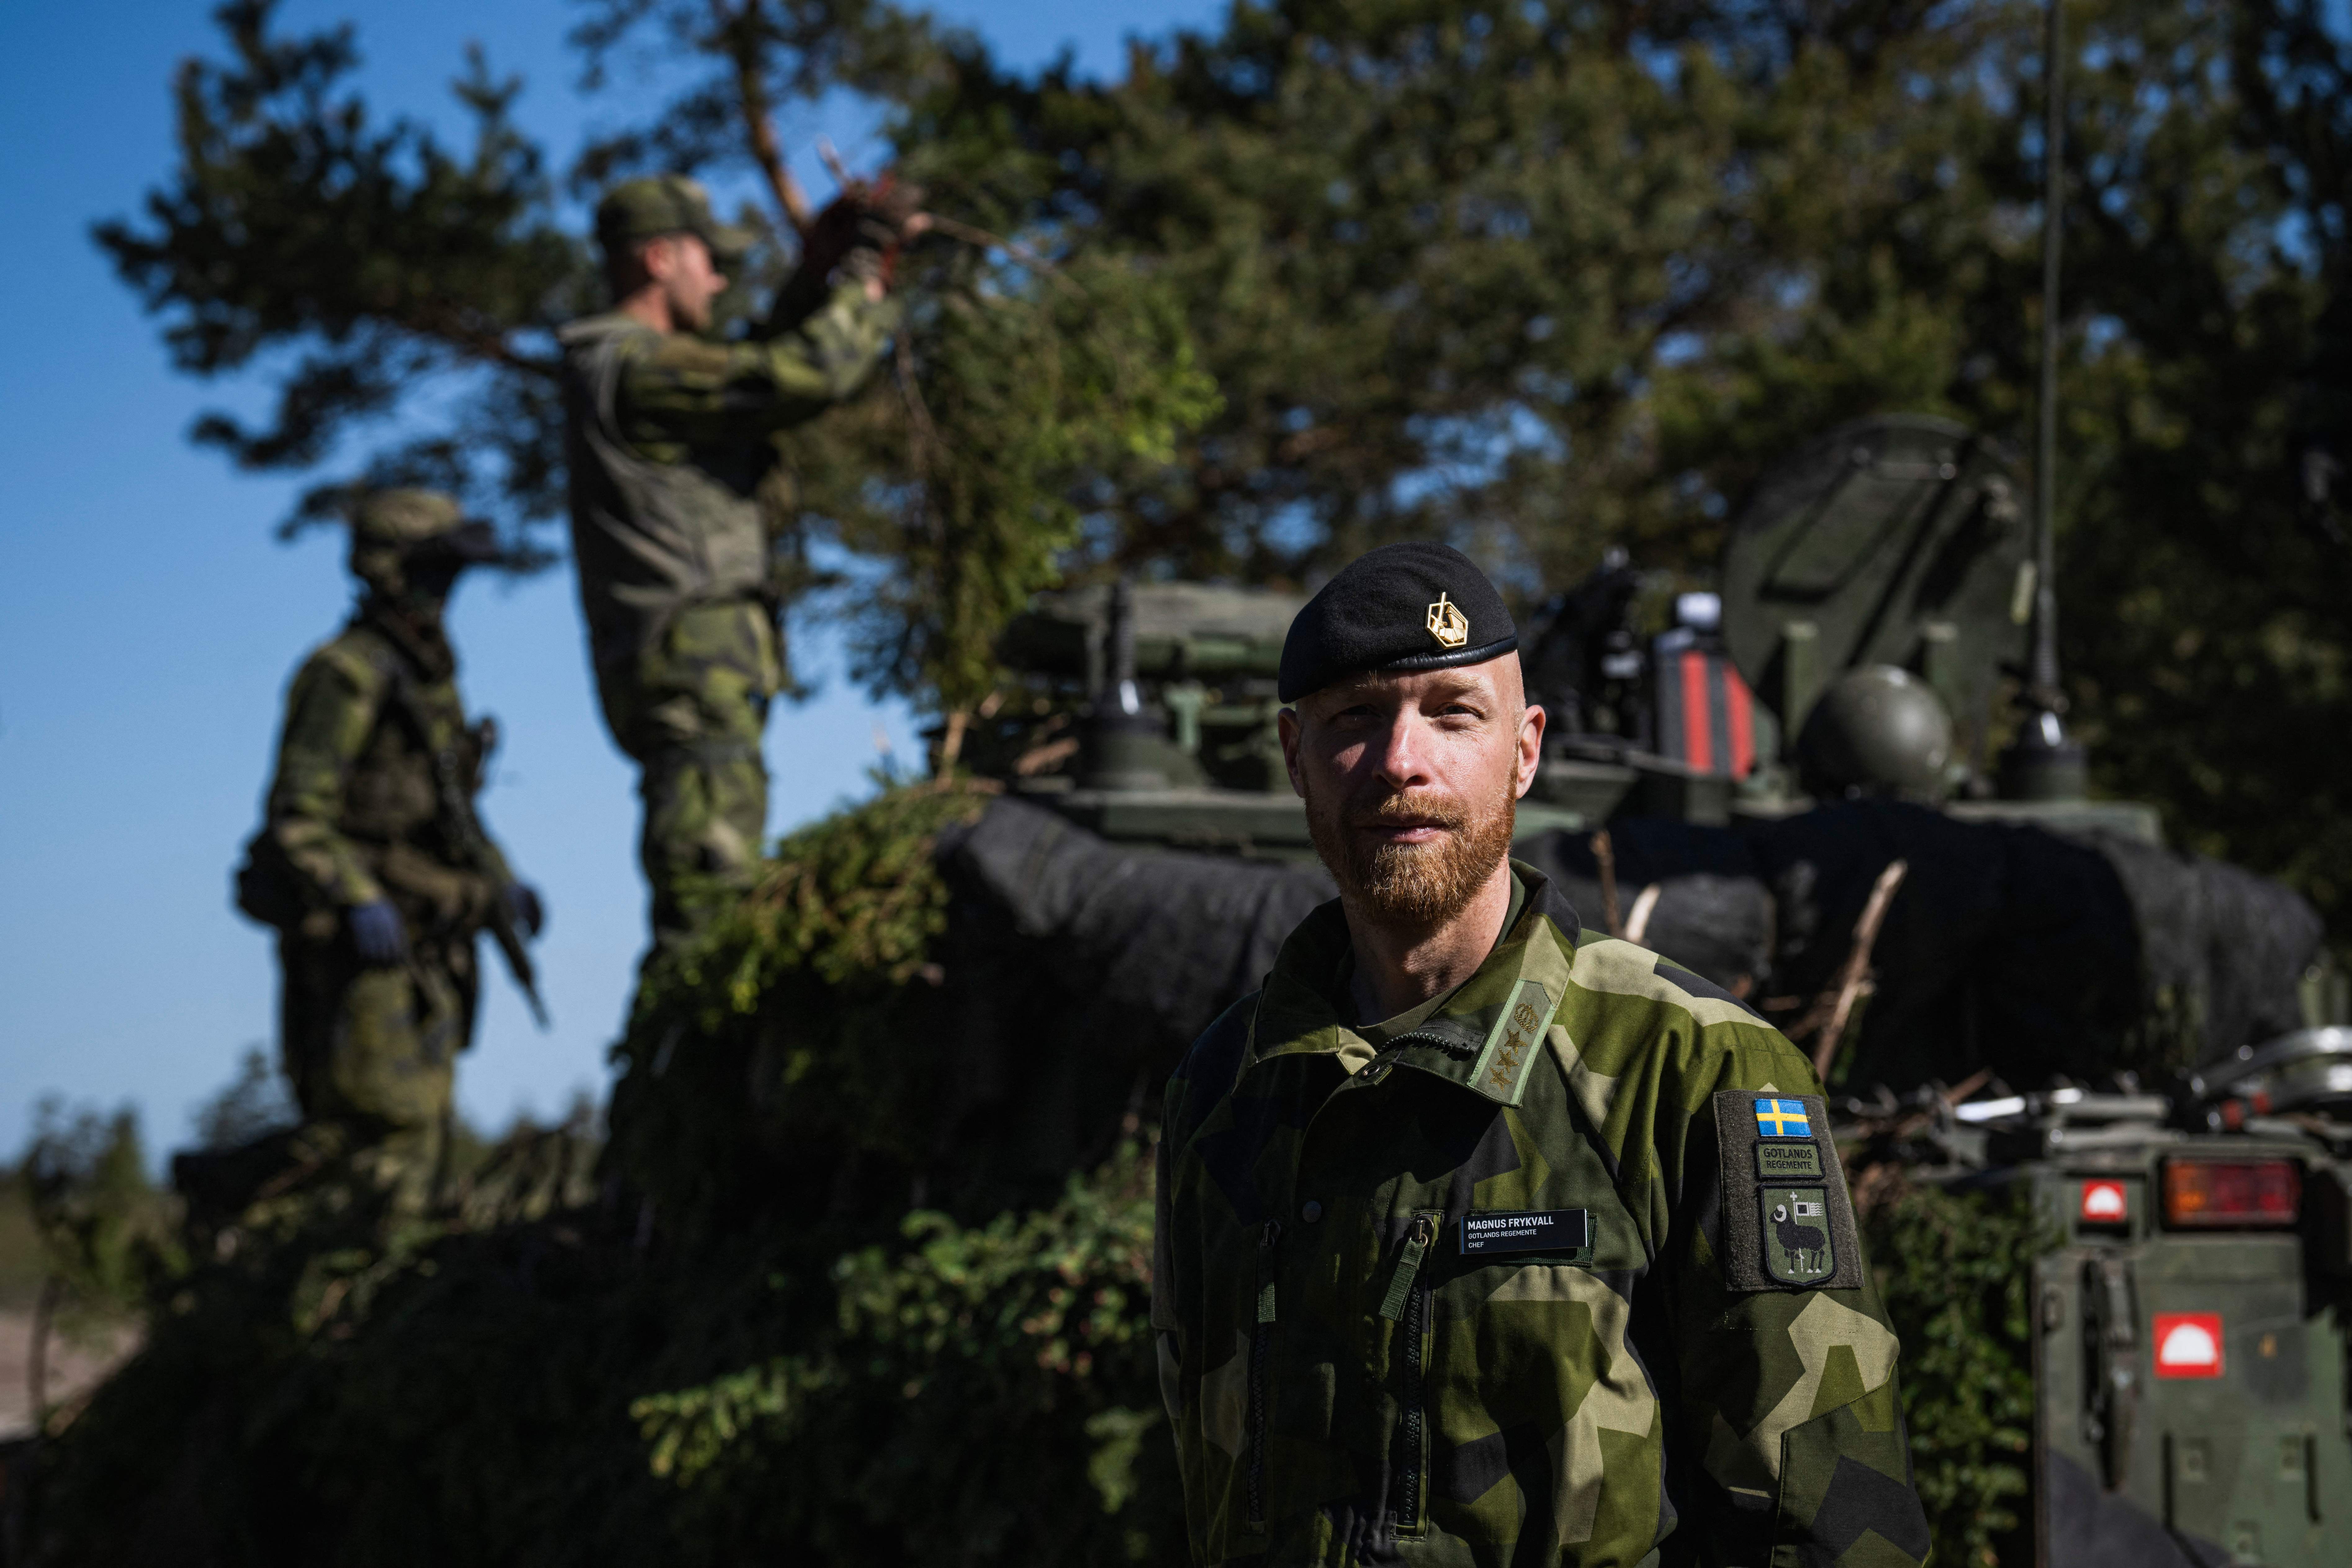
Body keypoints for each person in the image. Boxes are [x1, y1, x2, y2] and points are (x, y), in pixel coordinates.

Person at [1151, 543, 1928, 1566]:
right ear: (1293, 754)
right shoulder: (1230, 1084)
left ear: (1522, 751)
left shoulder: (1690, 1069)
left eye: (1450, 713)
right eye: (1353, 718)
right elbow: (1196, 1496)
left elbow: (1832, 1530)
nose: (1399, 761)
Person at [560, 173, 921, 950]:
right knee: (709, 900)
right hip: (693, 668)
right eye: (708, 260)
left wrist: (814, 272)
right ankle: (682, 1061)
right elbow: (798, 376)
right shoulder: (641, 367)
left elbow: (750, 367)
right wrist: (863, 276)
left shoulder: (634, 367)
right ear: (660, 258)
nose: (719, 279)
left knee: (715, 883)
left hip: (687, 667)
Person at [240, 489, 544, 1206]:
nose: (448, 591)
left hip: (430, 944)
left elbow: (455, 814)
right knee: (377, 1132)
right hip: (360, 949)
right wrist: (358, 896)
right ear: (390, 571)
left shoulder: (432, 683)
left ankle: (367, 1284)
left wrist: (502, 882)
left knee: (420, 1131)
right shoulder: (346, 674)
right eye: (434, 572)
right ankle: (239, 1216)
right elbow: (297, 815)